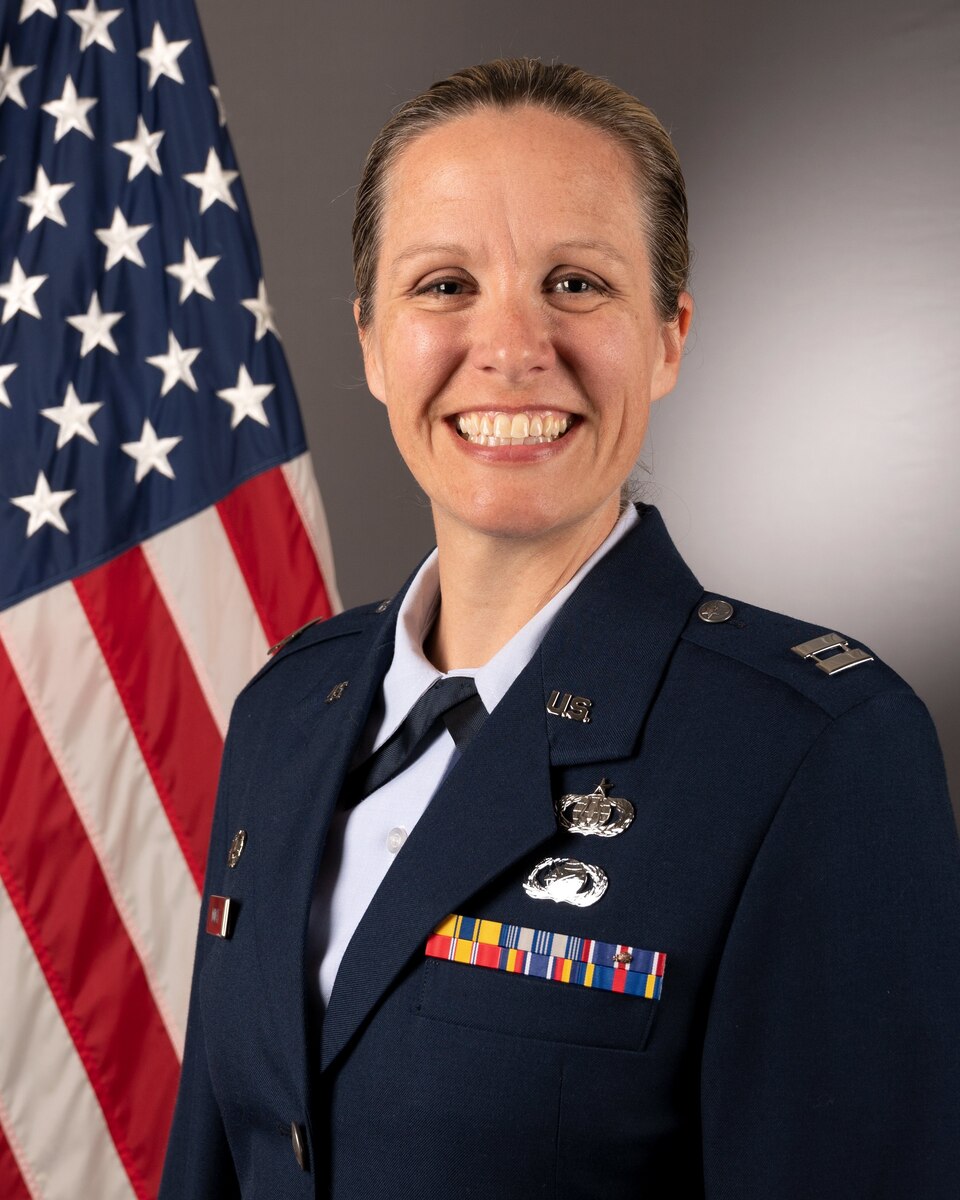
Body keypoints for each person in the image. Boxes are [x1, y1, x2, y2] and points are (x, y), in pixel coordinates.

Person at [159, 58, 960, 1199]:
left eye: (577, 283)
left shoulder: (814, 753)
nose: (514, 347)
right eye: (443, 286)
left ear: (670, 335)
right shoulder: (289, 709)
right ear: (372, 342)